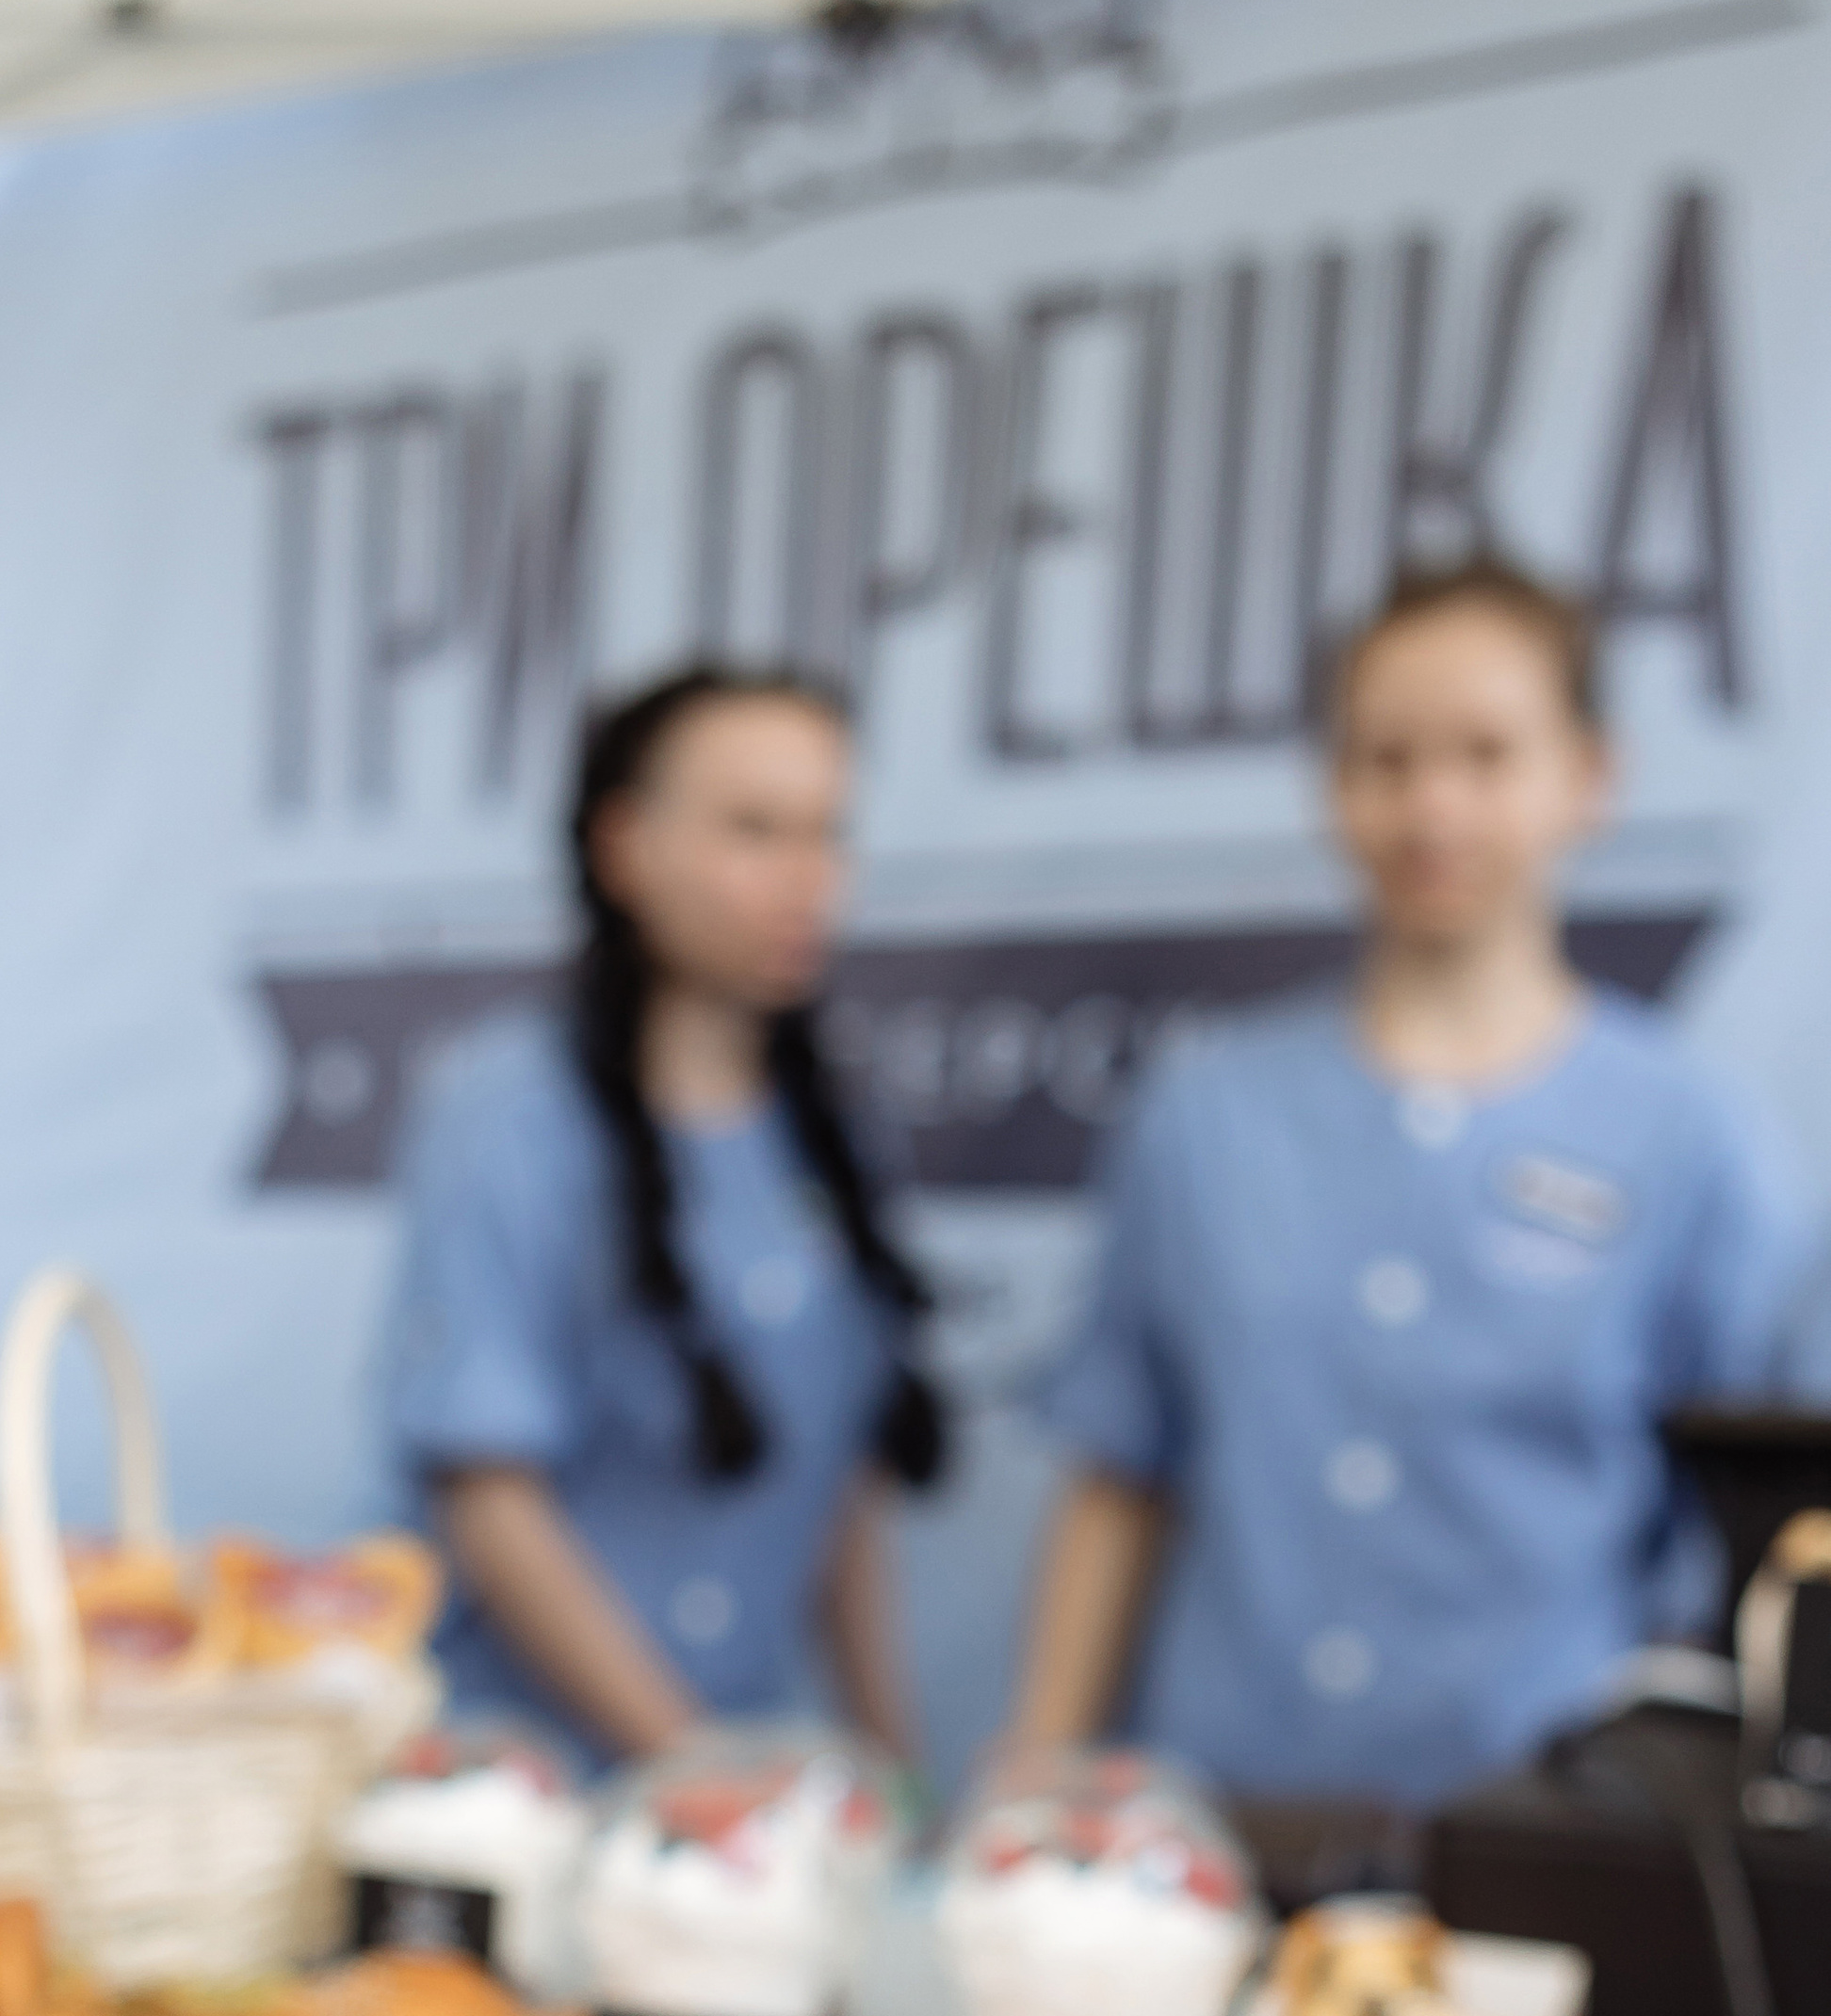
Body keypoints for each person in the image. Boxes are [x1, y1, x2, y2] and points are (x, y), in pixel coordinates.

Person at [993, 556, 1806, 1810]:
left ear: (1589, 776)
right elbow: (1121, 1472)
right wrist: (1036, 1773)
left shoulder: (1690, 1138)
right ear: (1334, 784)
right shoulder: (1208, 1115)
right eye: (1388, 758)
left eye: (1486, 756)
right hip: (1221, 1813)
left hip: (1552, 1826)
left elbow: (1771, 1535)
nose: (1434, 808)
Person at [381, 666, 942, 1765]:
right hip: (527, 1793)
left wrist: (894, 1770)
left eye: (827, 833)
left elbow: (841, 1492)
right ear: (626, 847)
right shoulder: (504, 1114)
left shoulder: (832, 1129)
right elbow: (489, 1498)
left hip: (747, 1805)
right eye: (754, 831)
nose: (806, 879)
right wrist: (694, 1768)